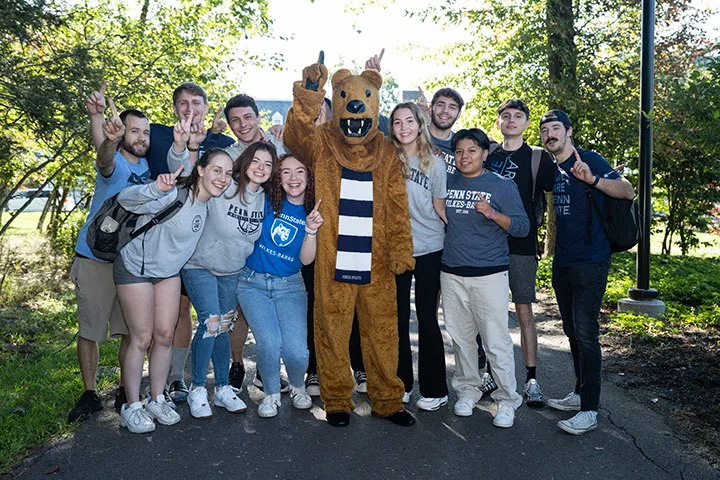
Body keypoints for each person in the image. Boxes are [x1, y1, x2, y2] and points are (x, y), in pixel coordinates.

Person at [114, 149, 234, 433]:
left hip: (167, 272)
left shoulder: (208, 204)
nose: (223, 178)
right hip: (136, 266)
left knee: (165, 336)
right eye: (217, 170)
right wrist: (156, 188)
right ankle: (131, 407)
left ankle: (157, 398)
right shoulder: (175, 192)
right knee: (141, 338)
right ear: (201, 170)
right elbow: (124, 199)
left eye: (228, 173)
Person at [539, 110, 634, 435]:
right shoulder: (551, 167)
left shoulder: (589, 159)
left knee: (587, 334)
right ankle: (579, 392)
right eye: (545, 130)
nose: (550, 134)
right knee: (571, 332)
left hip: (591, 263)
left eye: (555, 129)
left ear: (568, 131)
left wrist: (592, 179)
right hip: (563, 263)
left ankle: (589, 410)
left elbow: (627, 190)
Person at [169, 132, 276, 418]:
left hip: (232, 270)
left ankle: (223, 389)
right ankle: (198, 387)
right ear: (245, 162)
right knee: (212, 322)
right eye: (256, 161)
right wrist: (189, 145)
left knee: (225, 324)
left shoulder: (265, 198)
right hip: (199, 264)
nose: (261, 168)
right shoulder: (226, 185)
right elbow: (193, 174)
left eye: (268, 164)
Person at [68, 90, 151, 423]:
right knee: (90, 330)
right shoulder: (113, 164)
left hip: (129, 263)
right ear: (121, 134)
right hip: (94, 260)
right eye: (135, 131)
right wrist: (102, 128)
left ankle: (123, 390)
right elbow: (103, 157)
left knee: (131, 331)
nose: (141, 137)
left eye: (145, 132)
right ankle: (89, 394)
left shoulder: (150, 165)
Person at [441, 128, 528, 428]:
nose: (465, 157)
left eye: (472, 151)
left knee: (495, 341)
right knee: (462, 339)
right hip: (451, 273)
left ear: (485, 154)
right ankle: (468, 390)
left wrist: (492, 213)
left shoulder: (501, 186)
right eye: (460, 152)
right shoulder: (447, 181)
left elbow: (521, 227)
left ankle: (506, 399)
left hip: (489, 274)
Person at [235, 154, 323, 418]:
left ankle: (297, 387)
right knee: (269, 343)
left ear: (309, 178)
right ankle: (272, 393)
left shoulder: (312, 212)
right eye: (286, 172)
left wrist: (311, 230)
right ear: (278, 177)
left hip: (290, 285)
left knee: (297, 350)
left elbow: (306, 260)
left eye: (300, 172)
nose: (293, 178)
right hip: (252, 283)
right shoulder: (264, 200)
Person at [484, 99, 556, 408]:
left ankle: (531, 380)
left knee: (524, 312)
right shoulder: (487, 156)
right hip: (487, 245)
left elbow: (562, 187)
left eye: (518, 116)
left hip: (522, 246)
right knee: (491, 316)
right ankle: (492, 374)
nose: (511, 120)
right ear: (498, 122)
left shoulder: (538, 158)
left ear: (526, 124)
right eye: (505, 116)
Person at [388, 102, 449, 410]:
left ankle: (436, 389)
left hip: (430, 247)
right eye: (397, 122)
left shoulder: (435, 164)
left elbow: (440, 208)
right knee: (397, 319)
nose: (404, 127)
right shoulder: (386, 161)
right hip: (397, 248)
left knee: (427, 318)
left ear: (420, 124)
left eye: (409, 120)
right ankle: (401, 383)